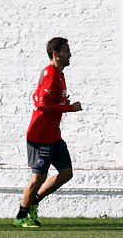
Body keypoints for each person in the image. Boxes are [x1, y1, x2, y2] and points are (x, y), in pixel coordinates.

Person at [13, 37, 83, 228]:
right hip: (40, 135)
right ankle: (21, 215)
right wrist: (70, 108)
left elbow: (44, 100)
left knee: (66, 172)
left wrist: (61, 104)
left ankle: (35, 200)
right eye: (67, 51)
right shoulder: (51, 74)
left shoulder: (58, 73)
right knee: (38, 177)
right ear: (56, 54)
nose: (70, 54)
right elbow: (42, 104)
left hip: (53, 135)